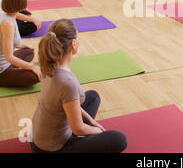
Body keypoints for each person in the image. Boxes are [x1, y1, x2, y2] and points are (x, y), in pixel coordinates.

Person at [31, 19, 127, 153]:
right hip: (52, 149)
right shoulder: (66, 81)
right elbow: (78, 129)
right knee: (119, 139)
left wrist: (91, 121)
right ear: (73, 44)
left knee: (92, 97)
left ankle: (80, 138)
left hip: (39, 139)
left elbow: (67, 104)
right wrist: (98, 131)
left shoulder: (49, 65)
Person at [0, 0, 41, 87]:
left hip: (7, 64)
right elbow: (9, 57)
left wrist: (25, 46)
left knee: (28, 52)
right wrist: (31, 66)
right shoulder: (8, 24)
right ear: (21, 4)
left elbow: (17, 43)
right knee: (35, 77)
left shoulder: (7, 14)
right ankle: (14, 72)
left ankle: (15, 71)